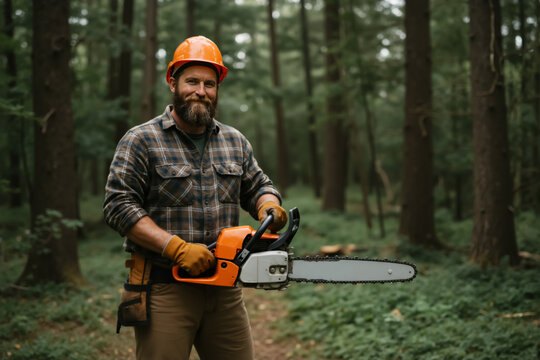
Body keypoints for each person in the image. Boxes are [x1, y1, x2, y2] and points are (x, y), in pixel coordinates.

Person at [103, 35, 288, 360]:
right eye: (192, 82)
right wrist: (174, 247)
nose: (201, 91)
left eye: (209, 84)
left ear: (217, 89)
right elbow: (118, 206)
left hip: (225, 291)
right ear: (172, 82)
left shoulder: (235, 141)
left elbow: (258, 185)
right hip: (165, 288)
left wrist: (268, 203)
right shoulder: (142, 140)